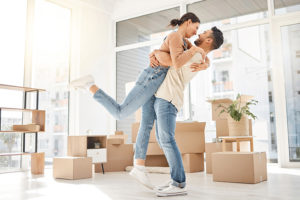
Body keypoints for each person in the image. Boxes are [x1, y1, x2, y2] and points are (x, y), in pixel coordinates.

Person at [132, 27, 224, 197]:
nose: (198, 33)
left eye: (203, 33)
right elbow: (174, 53)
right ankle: (176, 180)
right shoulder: (195, 53)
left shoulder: (196, 55)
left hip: (169, 98)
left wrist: (157, 53)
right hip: (164, 96)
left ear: (209, 40)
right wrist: (155, 52)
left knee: (167, 139)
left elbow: (172, 61)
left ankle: (179, 183)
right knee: (163, 139)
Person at [69, 12, 204, 121]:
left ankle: (139, 155)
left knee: (147, 121)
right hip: (152, 77)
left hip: (156, 79)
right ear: (188, 22)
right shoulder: (175, 36)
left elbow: (202, 55)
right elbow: (177, 63)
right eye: (196, 27)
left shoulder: (185, 42)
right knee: (120, 113)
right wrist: (194, 50)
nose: (196, 32)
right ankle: (90, 85)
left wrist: (204, 63)